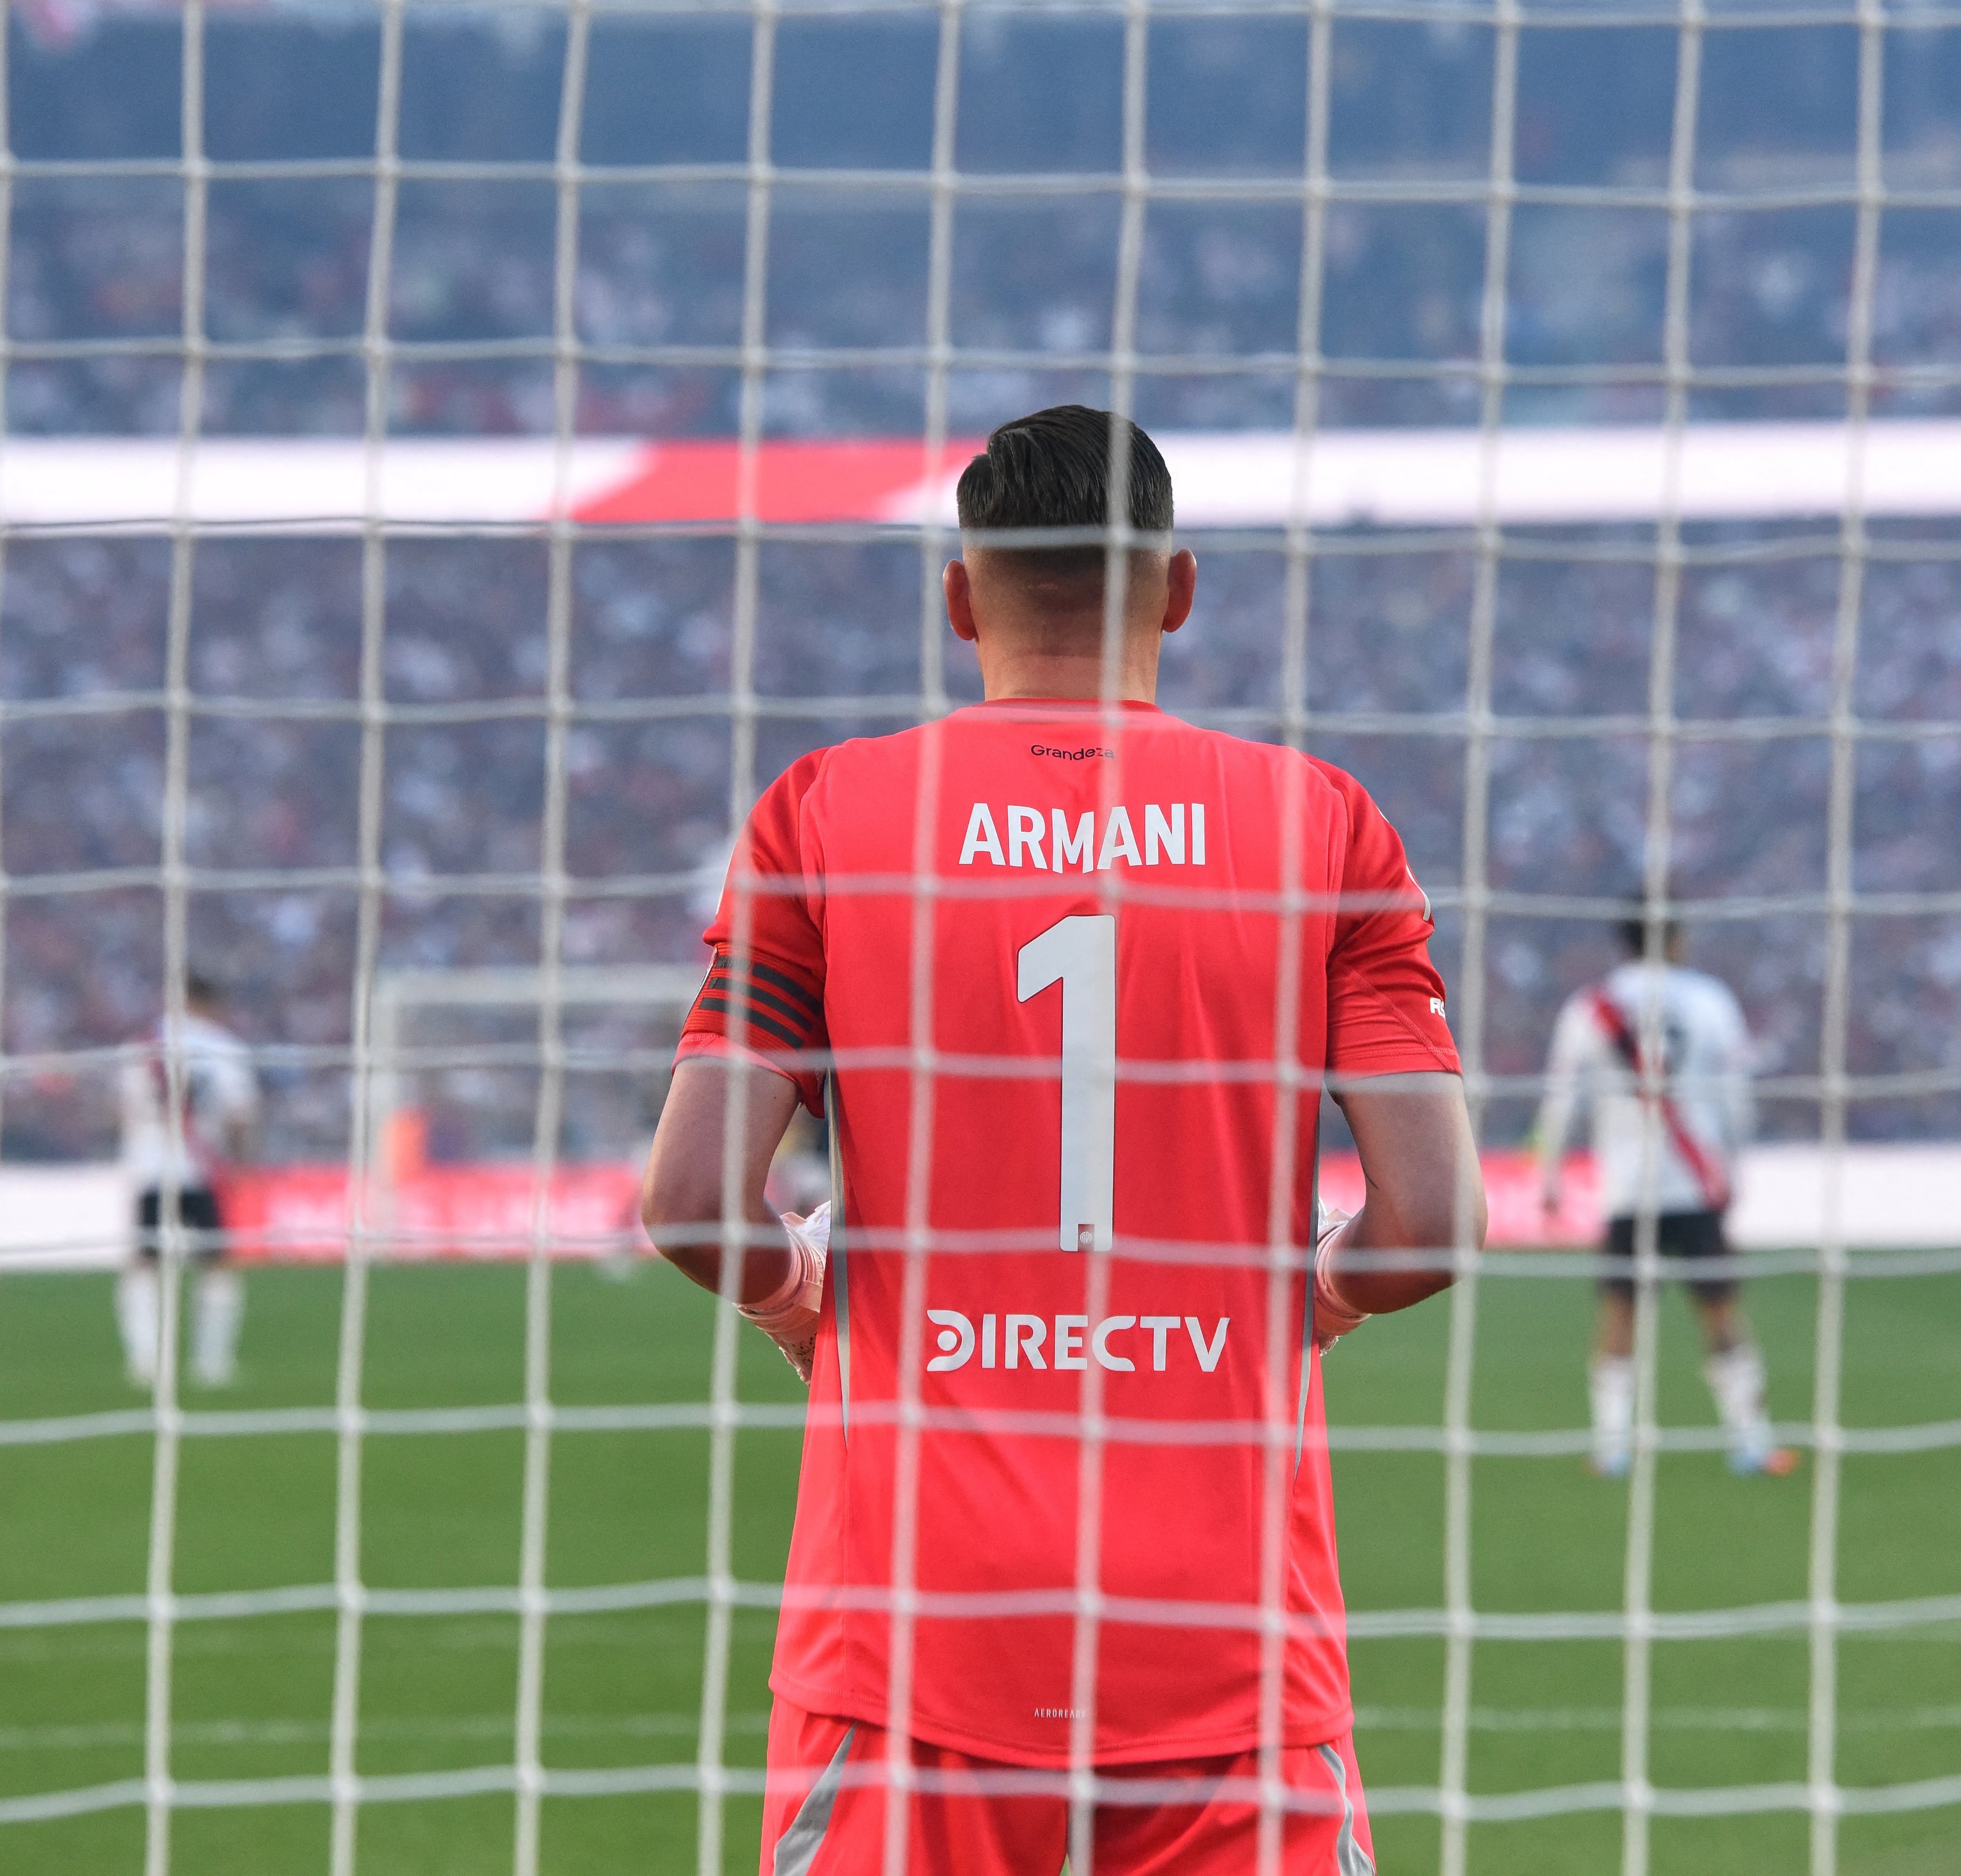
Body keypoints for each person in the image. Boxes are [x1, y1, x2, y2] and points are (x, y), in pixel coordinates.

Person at [638, 406, 1482, 1875]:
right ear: (1177, 588)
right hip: (1225, 1657)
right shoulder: (1319, 823)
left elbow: (695, 1203)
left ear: (958, 598)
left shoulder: (823, 814)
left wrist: (807, 1304)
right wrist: (1296, 1304)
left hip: (908, 1647)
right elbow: (1430, 1225)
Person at [1536, 917, 1787, 1479]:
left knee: (1619, 1315)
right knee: (1721, 1312)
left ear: (1622, 941)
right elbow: (1734, 1095)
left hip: (1626, 1189)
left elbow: (1562, 1098)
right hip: (1694, 1182)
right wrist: (1735, 1166)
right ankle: (1751, 1442)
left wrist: (1550, 1176)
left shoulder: (1591, 1007)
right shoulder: (1709, 999)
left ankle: (1612, 1448)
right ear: (1677, 939)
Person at [115, 971, 259, 1388]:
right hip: (202, 1166)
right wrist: (240, 1160)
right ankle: (212, 1363)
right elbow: (238, 1114)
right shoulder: (223, 1047)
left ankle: (144, 1362)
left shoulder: (142, 1045)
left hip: (150, 1166)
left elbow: (123, 1109)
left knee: (145, 1263)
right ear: (209, 1002)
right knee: (216, 1263)